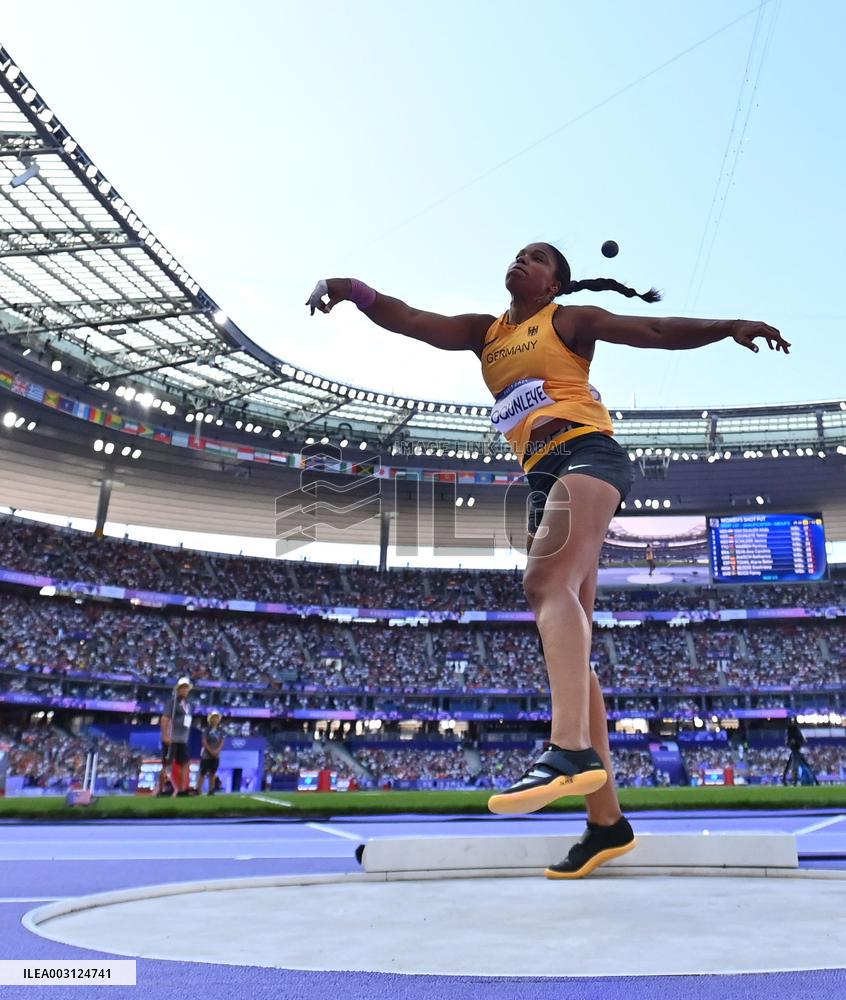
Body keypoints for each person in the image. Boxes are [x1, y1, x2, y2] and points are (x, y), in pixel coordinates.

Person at [307, 243, 789, 876]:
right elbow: (411, 319)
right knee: (572, 648)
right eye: (516, 254)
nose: (520, 261)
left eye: (535, 258)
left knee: (542, 581)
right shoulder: (486, 333)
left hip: (588, 453)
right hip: (540, 474)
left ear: (554, 282)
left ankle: (568, 749)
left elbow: (652, 329)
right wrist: (352, 287)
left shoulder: (569, 321)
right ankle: (607, 824)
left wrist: (728, 327)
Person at [161, 676, 194, 797]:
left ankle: (181, 789)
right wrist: (165, 735)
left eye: (186, 688)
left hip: (182, 739)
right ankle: (161, 788)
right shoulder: (172, 702)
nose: (185, 690)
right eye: (183, 688)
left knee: (184, 763)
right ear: (178, 689)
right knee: (167, 763)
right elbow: (165, 718)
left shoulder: (188, 704)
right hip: (172, 737)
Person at [196, 711, 225, 795]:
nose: (215, 719)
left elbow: (222, 741)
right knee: (203, 772)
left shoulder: (221, 731)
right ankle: (199, 790)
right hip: (206, 755)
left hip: (216, 755)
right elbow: (204, 741)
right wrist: (211, 751)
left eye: (216, 718)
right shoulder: (207, 730)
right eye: (213, 717)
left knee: (213, 772)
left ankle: (211, 790)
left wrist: (217, 750)